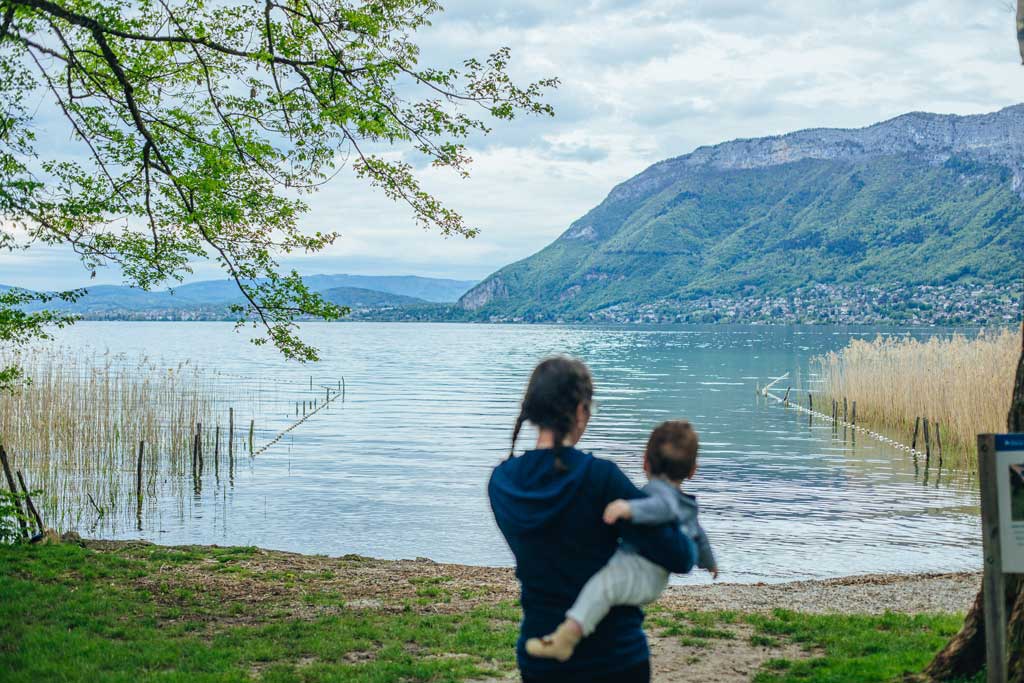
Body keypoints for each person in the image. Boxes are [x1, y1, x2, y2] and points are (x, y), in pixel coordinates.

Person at [488, 356, 696, 683]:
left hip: (541, 657)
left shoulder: (502, 483)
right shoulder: (599, 478)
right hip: (614, 656)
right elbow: (679, 555)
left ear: (533, 411)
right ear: (581, 411)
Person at [526, 420, 717, 662]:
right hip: (653, 575)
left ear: (645, 462)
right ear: (692, 471)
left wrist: (628, 508)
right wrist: (710, 563)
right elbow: (701, 538)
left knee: (602, 587)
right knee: (605, 587)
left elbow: (661, 508)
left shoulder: (660, 495)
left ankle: (566, 638)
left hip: (645, 571)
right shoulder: (687, 505)